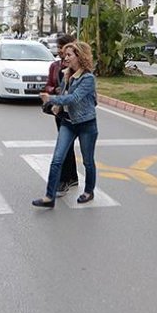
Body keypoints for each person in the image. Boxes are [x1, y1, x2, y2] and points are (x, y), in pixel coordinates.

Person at [34, 42, 99, 208]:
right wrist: (57, 102)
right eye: (65, 55)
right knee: (57, 160)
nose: (66, 58)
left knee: (88, 161)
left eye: (69, 55)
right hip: (68, 123)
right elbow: (64, 95)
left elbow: (74, 98)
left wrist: (51, 99)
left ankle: (89, 191)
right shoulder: (66, 75)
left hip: (86, 125)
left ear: (80, 56)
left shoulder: (88, 78)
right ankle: (49, 196)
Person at [43, 34, 79, 197]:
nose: (59, 51)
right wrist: (53, 91)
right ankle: (71, 177)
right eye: (58, 48)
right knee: (66, 145)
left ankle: (65, 180)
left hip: (75, 112)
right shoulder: (54, 66)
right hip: (60, 111)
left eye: (62, 48)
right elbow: (48, 85)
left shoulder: (78, 69)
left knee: (65, 146)